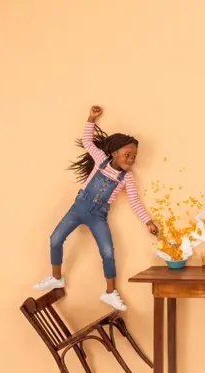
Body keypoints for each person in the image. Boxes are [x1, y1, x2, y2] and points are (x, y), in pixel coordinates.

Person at [33, 106, 159, 312]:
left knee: (108, 252)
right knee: (55, 239)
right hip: (77, 208)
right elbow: (87, 142)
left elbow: (135, 201)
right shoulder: (101, 161)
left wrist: (148, 221)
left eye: (134, 155)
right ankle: (56, 278)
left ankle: (110, 292)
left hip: (98, 216)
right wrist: (91, 118)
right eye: (128, 154)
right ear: (115, 153)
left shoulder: (126, 177)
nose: (131, 158)